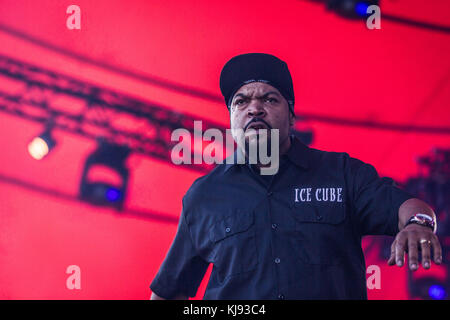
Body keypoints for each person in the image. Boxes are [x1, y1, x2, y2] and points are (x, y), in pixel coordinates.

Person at [150, 53, 442, 300]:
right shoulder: (203, 195)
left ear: (291, 116)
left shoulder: (342, 173)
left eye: (269, 99)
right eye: (240, 102)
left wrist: (419, 224)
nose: (254, 108)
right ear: (231, 119)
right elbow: (168, 290)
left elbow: (407, 206)